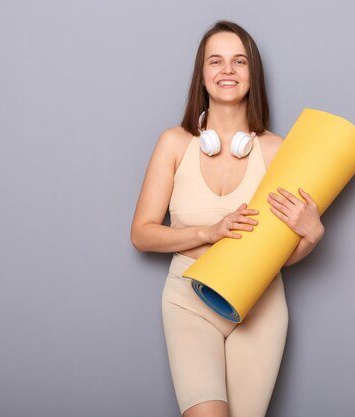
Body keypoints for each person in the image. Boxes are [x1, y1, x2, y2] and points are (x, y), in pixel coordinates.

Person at [131, 20, 325, 417]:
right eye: (215, 61)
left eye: (239, 62)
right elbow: (142, 234)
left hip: (260, 307)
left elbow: (279, 252)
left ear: (252, 74)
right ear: (202, 75)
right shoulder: (174, 143)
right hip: (189, 301)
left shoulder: (275, 150)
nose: (227, 71)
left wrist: (310, 237)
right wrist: (208, 231)